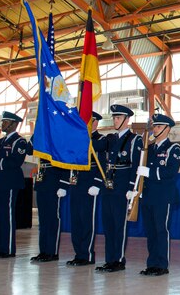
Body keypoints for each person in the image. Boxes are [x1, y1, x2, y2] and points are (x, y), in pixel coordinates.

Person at [95, 105, 143, 273]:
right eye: (114, 117)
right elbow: (95, 148)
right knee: (108, 224)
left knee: (119, 225)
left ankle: (119, 260)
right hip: (109, 185)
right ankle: (110, 259)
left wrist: (132, 187)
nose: (115, 120)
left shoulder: (134, 139)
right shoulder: (110, 139)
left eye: (118, 117)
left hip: (123, 186)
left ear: (126, 119)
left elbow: (136, 165)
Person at [133, 113, 180, 277]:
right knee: (151, 231)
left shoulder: (173, 148)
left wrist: (149, 172)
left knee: (161, 230)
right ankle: (152, 263)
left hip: (163, 196)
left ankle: (162, 264)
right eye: (155, 126)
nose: (155, 129)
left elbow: (170, 171)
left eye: (159, 126)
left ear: (167, 129)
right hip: (147, 195)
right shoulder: (150, 148)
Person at [67, 111, 108, 266]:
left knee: (86, 220)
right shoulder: (77, 138)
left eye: (90, 121)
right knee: (76, 220)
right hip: (77, 182)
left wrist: (97, 183)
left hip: (90, 183)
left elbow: (103, 162)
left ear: (96, 123)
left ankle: (87, 254)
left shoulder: (101, 139)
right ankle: (79, 253)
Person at [0, 111, 28, 259]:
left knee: (7, 216)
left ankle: (8, 249)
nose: (2, 124)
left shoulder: (19, 142)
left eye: (5, 122)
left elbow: (15, 162)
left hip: (9, 183)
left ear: (14, 124)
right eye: (2, 121)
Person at [27, 138, 69, 262]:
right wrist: (35, 135)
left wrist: (63, 184)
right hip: (42, 179)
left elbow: (65, 159)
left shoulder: (57, 133)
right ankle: (43, 251)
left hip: (54, 180)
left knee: (52, 218)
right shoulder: (42, 133)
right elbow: (29, 151)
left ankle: (52, 251)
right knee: (43, 219)